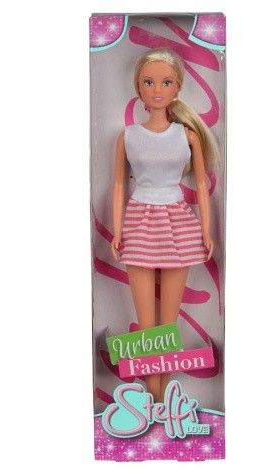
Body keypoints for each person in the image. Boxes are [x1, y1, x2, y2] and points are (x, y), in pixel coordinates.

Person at [110, 48, 217, 401]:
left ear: (178, 87)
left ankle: (160, 401)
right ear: (138, 87)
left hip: (178, 223)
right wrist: (117, 231)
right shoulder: (128, 136)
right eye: (149, 82)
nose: (157, 90)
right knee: (147, 326)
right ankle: (151, 397)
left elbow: (201, 184)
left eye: (166, 82)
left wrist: (206, 230)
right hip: (139, 221)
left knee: (168, 326)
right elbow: (119, 185)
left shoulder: (187, 135)